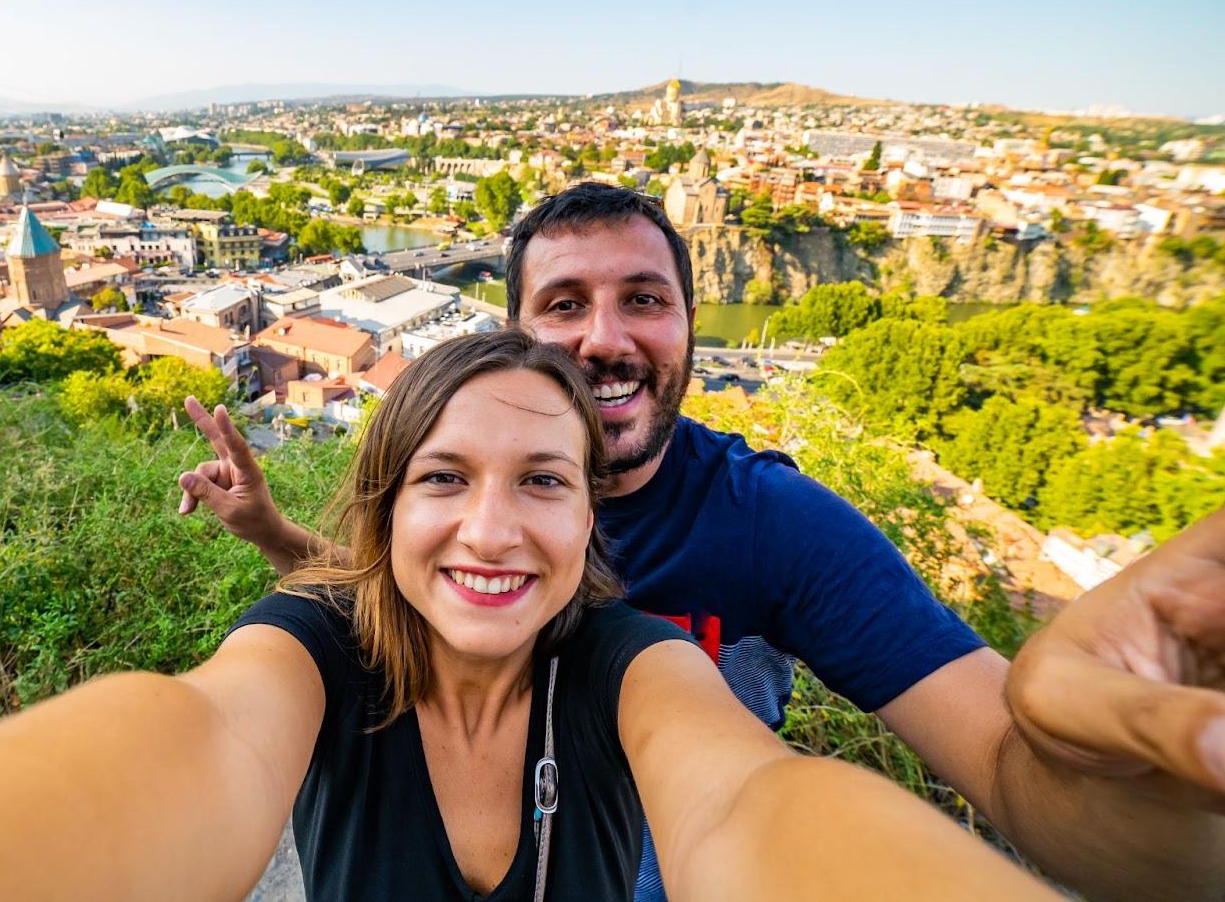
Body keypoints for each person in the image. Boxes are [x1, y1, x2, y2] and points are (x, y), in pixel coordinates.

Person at [0, 331, 1059, 902]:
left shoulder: (631, 666)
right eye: (446, 476)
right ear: (387, 505)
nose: (494, 526)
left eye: (543, 483)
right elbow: (187, 736)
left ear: (588, 524)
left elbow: (757, 804)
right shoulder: (311, 645)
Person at [177, 183, 1225, 900]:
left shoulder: (768, 520)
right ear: (512, 338)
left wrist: (1156, 788)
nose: (605, 337)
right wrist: (274, 533)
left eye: (645, 300)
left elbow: (995, 759)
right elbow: (371, 605)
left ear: (686, 327)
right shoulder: (452, 492)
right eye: (563, 305)